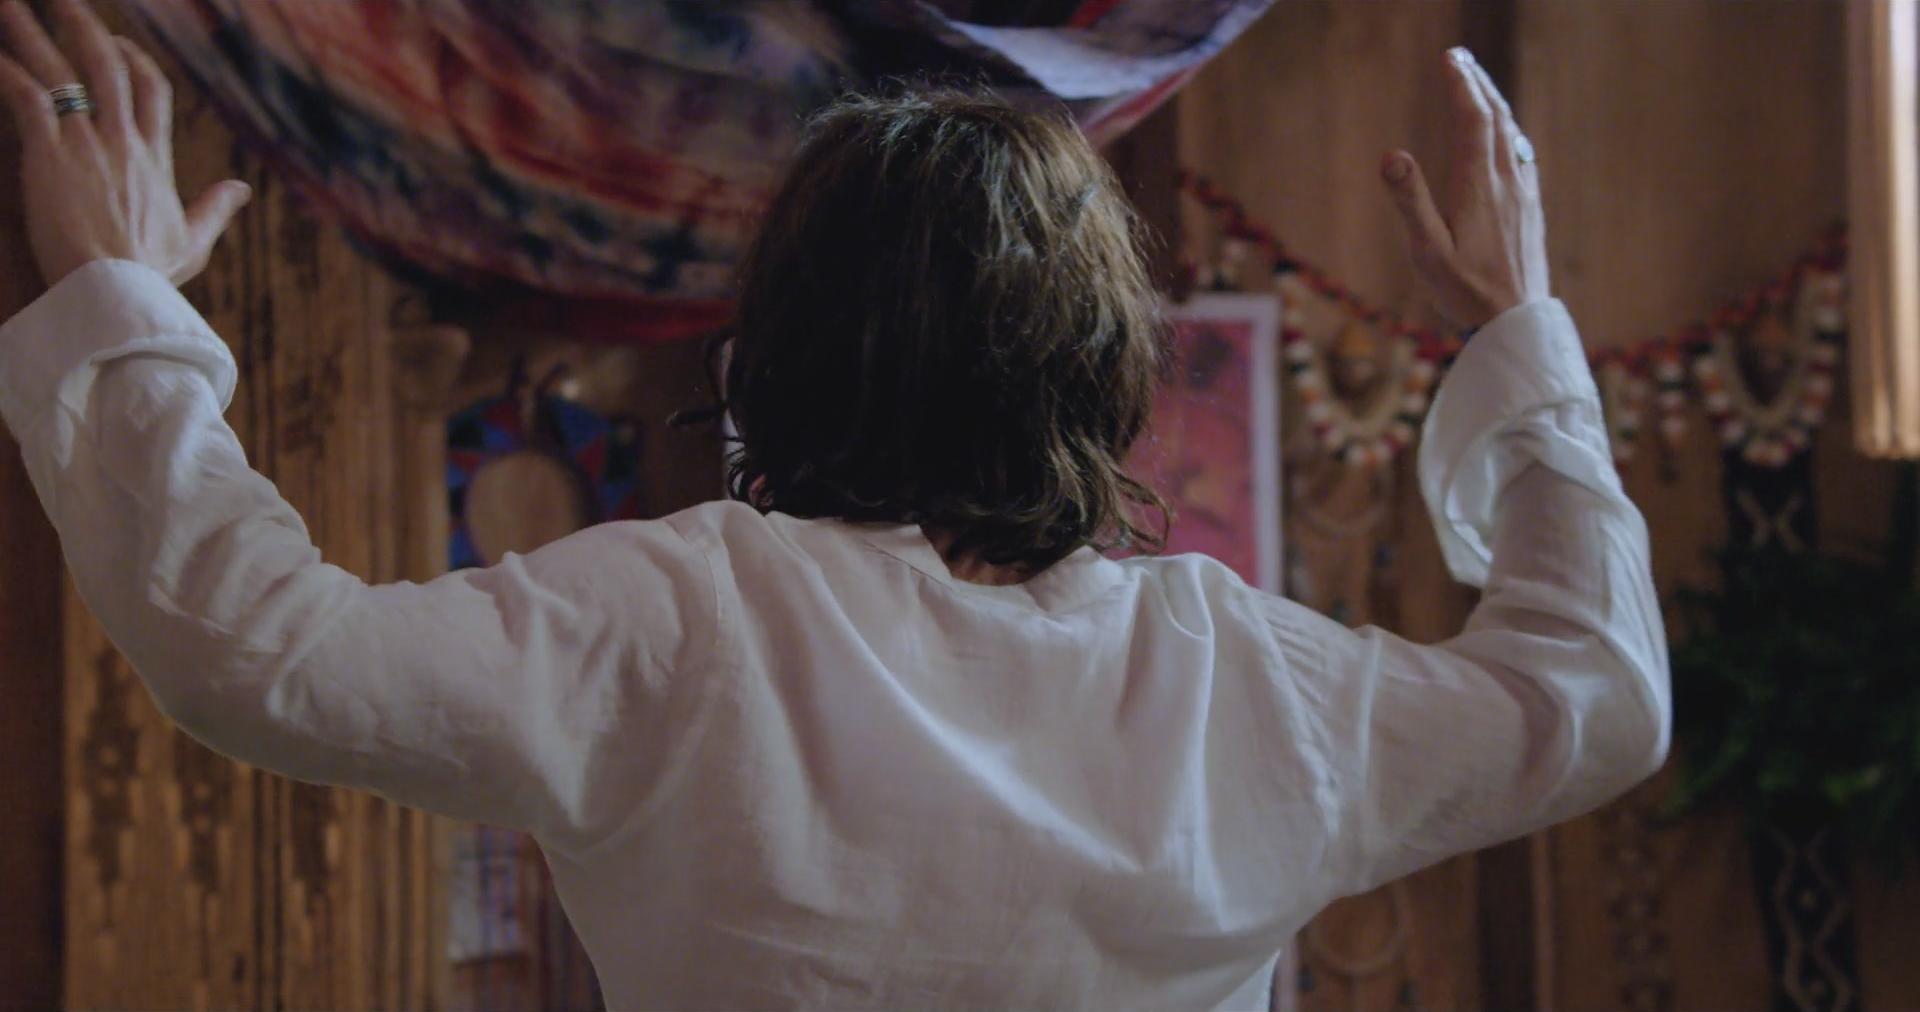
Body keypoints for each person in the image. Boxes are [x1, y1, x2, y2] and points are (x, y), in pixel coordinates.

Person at [0, 2, 1668, 1009]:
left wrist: (127, 303)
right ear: (1100, 370)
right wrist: (1519, 339)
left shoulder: (680, 619)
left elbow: (257, 649)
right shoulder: (1252, 686)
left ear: (778, 349)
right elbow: (1591, 693)